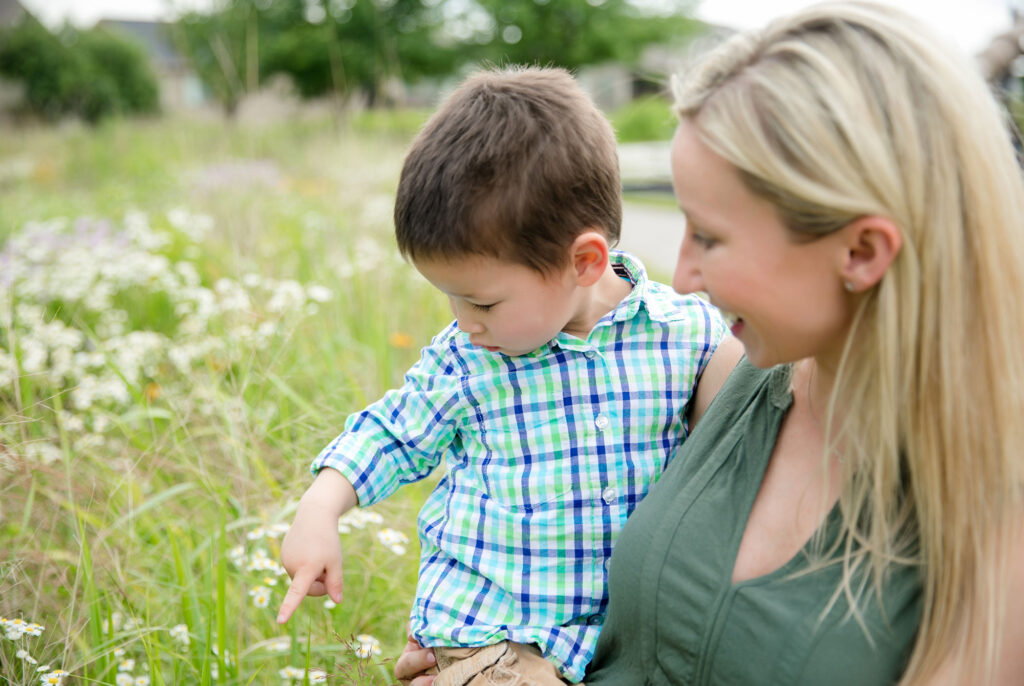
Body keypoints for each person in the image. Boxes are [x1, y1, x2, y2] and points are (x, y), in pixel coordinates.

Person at [397, 3, 1024, 684]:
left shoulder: (994, 501)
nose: (684, 273)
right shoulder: (729, 375)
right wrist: (482, 650)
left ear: (862, 250)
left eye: (711, 237)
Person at [276, 66, 736, 685]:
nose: (463, 321)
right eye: (451, 298)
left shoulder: (686, 336)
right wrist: (320, 508)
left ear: (584, 261)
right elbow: (392, 433)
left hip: (615, 640)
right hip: (494, 636)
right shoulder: (467, 360)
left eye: (483, 302)